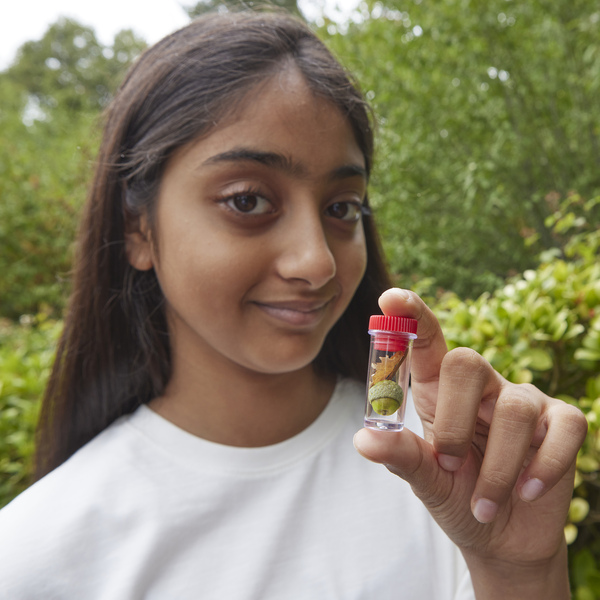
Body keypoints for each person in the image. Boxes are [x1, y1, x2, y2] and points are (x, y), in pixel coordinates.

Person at [0, 10, 587, 600]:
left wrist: (521, 573)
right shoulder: (35, 559)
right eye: (247, 200)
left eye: (342, 208)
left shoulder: (451, 478)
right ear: (138, 230)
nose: (317, 262)